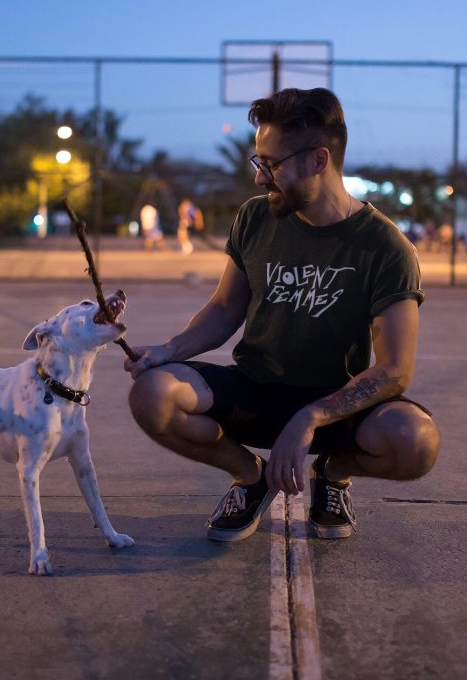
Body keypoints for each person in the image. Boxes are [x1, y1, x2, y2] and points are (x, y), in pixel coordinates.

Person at [125, 88, 439, 542]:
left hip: (335, 403)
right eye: (259, 162)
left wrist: (311, 417)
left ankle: (332, 474)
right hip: (255, 389)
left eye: (271, 164)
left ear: (318, 160)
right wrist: (168, 350)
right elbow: (224, 308)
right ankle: (249, 477)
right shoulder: (255, 218)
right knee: (152, 394)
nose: (260, 177)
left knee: (416, 442)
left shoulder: (386, 247)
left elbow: (395, 371)